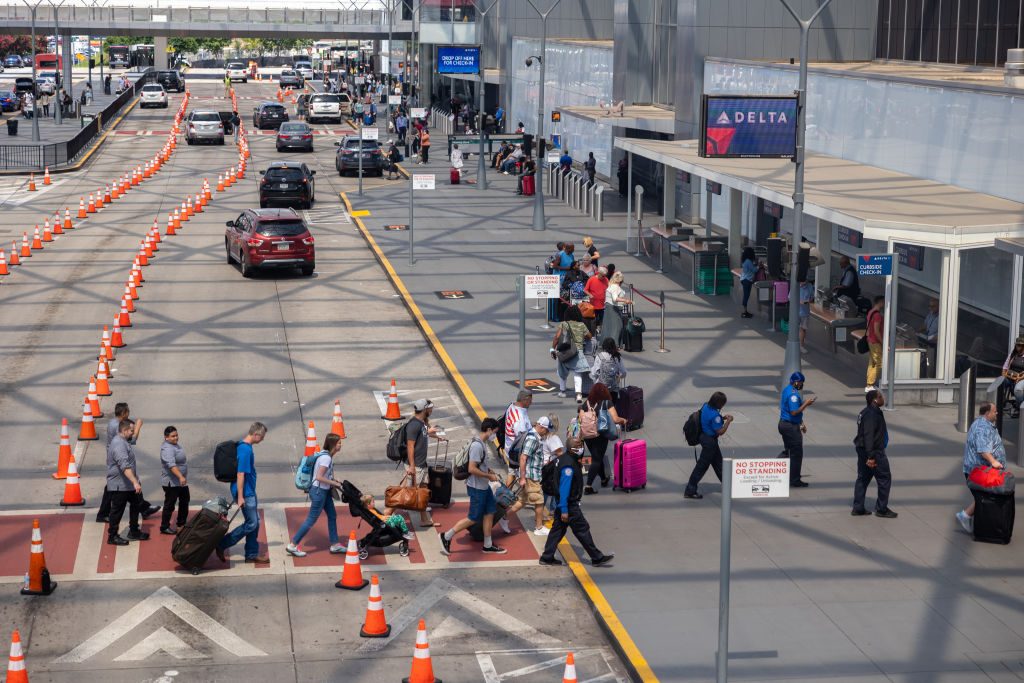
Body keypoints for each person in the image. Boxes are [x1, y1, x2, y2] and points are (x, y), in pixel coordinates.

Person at [538, 426, 615, 567]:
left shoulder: (562, 459)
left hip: (563, 503)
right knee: (582, 529)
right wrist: (565, 509)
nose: (581, 448)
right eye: (579, 446)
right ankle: (596, 557)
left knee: (557, 530)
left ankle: (547, 556)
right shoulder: (569, 465)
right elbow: (565, 488)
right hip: (568, 504)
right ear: (573, 448)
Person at [439, 418, 508, 555]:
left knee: (490, 512)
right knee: (473, 518)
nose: (495, 435)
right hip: (477, 488)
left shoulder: (481, 442)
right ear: (489, 430)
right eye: (495, 432)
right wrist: (489, 477)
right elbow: (471, 469)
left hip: (484, 487)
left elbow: (479, 464)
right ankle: (446, 536)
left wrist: (488, 471)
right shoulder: (477, 446)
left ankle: (487, 545)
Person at [216, 422, 269, 564]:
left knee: (255, 522)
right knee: (252, 523)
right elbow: (240, 474)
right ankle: (222, 544)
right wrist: (240, 496)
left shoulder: (243, 446)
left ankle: (251, 554)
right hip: (246, 493)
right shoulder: (245, 451)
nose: (263, 439)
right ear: (256, 434)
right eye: (262, 437)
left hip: (248, 491)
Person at [287, 433, 345, 557]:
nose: (341, 445)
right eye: (339, 443)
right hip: (319, 492)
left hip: (324, 492)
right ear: (333, 445)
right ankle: (292, 545)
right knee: (311, 519)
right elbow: (319, 477)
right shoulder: (326, 458)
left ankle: (335, 544)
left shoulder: (325, 455)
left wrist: (332, 482)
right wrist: (334, 483)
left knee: (332, 515)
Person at [98, 403, 157, 523]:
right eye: (128, 411)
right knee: (126, 484)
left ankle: (143, 508)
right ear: (124, 413)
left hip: (114, 458)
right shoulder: (117, 426)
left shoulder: (113, 423)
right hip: (118, 459)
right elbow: (132, 439)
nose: (129, 413)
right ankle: (143, 509)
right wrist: (138, 427)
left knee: (113, 487)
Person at [956, 402, 1007, 534]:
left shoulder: (980, 423)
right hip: (980, 471)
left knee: (985, 497)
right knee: (986, 497)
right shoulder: (983, 427)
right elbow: (983, 450)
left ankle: (976, 522)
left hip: (979, 470)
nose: (997, 413)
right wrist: (994, 461)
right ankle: (965, 516)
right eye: (994, 411)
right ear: (987, 413)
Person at [852, 390, 897, 518]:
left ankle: (858, 507)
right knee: (884, 478)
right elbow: (868, 436)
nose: (883, 398)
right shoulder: (871, 414)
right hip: (874, 452)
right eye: (880, 396)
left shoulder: (866, 412)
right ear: (875, 400)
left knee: (863, 478)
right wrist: (871, 457)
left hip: (864, 449)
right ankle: (881, 509)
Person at [684, 392, 733, 499]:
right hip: (710, 443)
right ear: (719, 404)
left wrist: (722, 418)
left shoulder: (706, 406)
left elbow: (708, 420)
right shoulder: (715, 416)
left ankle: (728, 486)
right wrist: (728, 421)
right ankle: (690, 490)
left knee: (719, 464)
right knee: (702, 466)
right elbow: (720, 431)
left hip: (703, 437)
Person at [106, 420, 148, 545]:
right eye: (131, 430)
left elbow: (133, 439)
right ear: (124, 431)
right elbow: (124, 466)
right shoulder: (119, 445)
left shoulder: (123, 441)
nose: (133, 433)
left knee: (136, 505)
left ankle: (134, 530)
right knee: (117, 511)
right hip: (120, 486)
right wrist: (135, 482)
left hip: (127, 484)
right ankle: (112, 536)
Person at [402, 398, 442, 527]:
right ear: (424, 409)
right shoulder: (414, 425)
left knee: (423, 490)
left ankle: (424, 519)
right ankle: (387, 514)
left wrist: (437, 436)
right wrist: (412, 466)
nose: (431, 410)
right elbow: (410, 446)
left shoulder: (421, 423)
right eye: (430, 408)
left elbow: (424, 433)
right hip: (416, 465)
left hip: (421, 464)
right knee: (406, 493)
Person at [581, 383, 626, 494]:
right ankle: (588, 486)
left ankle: (603, 478)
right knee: (596, 459)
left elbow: (580, 418)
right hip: (600, 434)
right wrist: (623, 420)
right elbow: (615, 419)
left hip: (587, 434)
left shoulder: (585, 404)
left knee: (597, 456)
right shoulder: (607, 403)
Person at [505, 417, 546, 536]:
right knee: (539, 500)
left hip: (529, 475)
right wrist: (523, 478)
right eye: (546, 430)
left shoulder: (532, 434)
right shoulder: (533, 439)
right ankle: (538, 528)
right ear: (541, 427)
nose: (547, 433)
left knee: (522, 500)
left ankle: (503, 517)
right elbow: (523, 457)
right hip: (530, 476)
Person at [779, 372, 815, 488]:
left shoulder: (787, 389)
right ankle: (794, 479)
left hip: (785, 424)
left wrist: (801, 423)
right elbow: (794, 412)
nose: (801, 385)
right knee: (796, 453)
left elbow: (794, 412)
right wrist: (806, 404)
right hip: (790, 427)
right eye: (801, 383)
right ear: (796, 382)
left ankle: (779, 468)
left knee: (789, 450)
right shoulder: (793, 395)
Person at [552, 305, 592, 403]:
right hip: (577, 352)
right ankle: (578, 395)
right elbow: (589, 336)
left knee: (562, 372)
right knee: (578, 373)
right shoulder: (581, 325)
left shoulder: (564, 324)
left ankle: (562, 391)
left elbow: (557, 337)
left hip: (564, 351)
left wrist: (552, 349)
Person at [159, 426, 189, 535]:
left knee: (185, 501)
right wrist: (181, 476)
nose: (176, 437)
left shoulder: (174, 445)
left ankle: (181, 524)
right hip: (171, 483)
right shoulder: (167, 449)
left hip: (180, 482)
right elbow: (171, 465)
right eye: (173, 436)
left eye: (176, 435)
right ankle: (164, 526)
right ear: (166, 437)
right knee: (170, 505)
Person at [600, 271, 631, 348]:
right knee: (617, 326)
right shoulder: (615, 287)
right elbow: (615, 298)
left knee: (608, 326)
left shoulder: (611, 286)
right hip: (613, 308)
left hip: (609, 307)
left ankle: (607, 344)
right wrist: (625, 300)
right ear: (621, 280)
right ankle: (614, 345)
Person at [503, 390, 533, 457]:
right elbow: (523, 439)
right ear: (524, 400)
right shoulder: (519, 420)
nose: (531, 403)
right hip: (517, 453)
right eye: (530, 400)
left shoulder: (512, 405)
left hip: (510, 447)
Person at [1001, 335, 1024, 416]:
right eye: (1018, 345)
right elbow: (1005, 366)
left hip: (1021, 377)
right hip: (1010, 376)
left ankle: (1020, 406)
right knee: (1001, 382)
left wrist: (1020, 377)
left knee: (1018, 389)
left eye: (1021, 345)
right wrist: (1003, 374)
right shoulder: (1013, 354)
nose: (1019, 347)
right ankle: (1001, 404)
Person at [865, 296, 884, 392]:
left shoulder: (871, 312)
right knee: (877, 363)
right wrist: (883, 343)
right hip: (875, 342)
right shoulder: (877, 316)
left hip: (870, 340)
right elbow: (877, 331)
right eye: (884, 302)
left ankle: (870, 383)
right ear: (880, 302)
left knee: (872, 362)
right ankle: (870, 384)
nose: (884, 304)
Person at [740, 246, 756, 319]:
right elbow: (754, 270)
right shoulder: (748, 261)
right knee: (746, 295)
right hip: (747, 280)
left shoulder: (745, 260)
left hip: (744, 279)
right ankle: (744, 312)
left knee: (746, 295)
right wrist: (759, 266)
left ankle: (745, 311)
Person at [799, 276, 814, 354]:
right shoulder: (796, 285)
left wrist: (808, 300)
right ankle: (796, 344)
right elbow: (790, 297)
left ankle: (801, 346)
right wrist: (799, 301)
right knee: (797, 329)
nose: (803, 283)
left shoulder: (810, 286)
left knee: (803, 329)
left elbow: (812, 296)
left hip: (805, 311)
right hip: (796, 311)